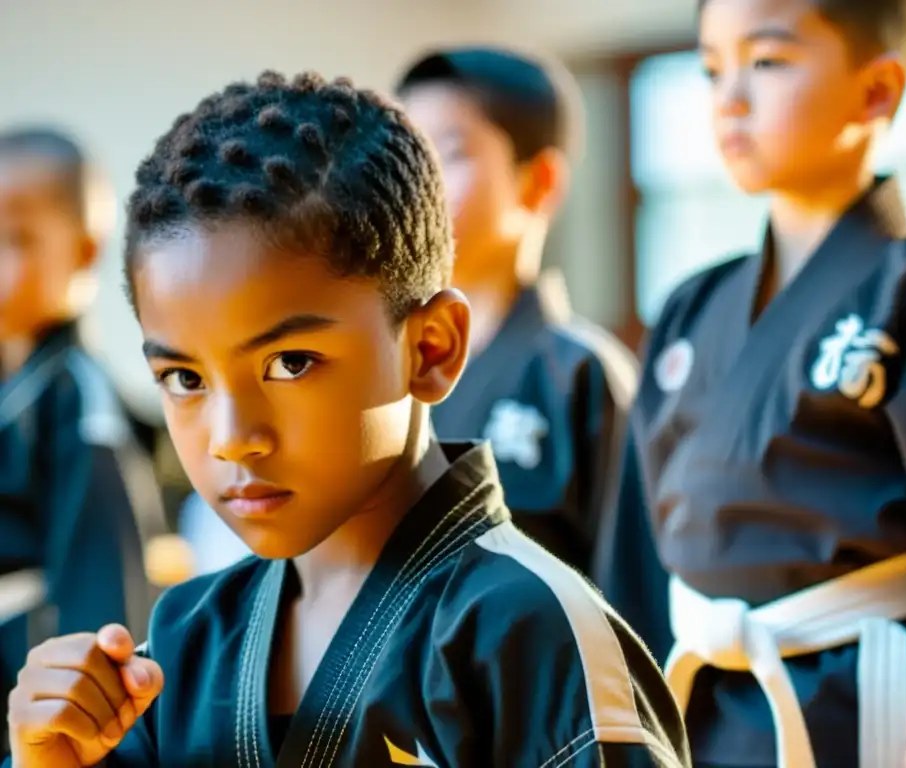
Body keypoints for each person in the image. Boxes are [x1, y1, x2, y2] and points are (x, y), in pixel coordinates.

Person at [3, 71, 690, 768]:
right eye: (185, 379)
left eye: (291, 363)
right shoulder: (182, 645)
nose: (233, 435)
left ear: (431, 347)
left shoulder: (532, 637)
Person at [593, 0, 906, 767]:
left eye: (766, 61)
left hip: (872, 709)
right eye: (711, 68)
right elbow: (635, 550)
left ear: (876, 92)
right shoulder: (691, 309)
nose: (729, 98)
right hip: (702, 710)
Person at [396, 48, 638, 576]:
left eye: (451, 155)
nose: (419, 189)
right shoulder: (383, 369)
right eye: (409, 159)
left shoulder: (580, 375)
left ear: (538, 181)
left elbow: (629, 595)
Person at [0, 128, 170, 743]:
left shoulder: (76, 397)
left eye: (16, 239)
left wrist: (89, 717)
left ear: (82, 251)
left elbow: (106, 582)